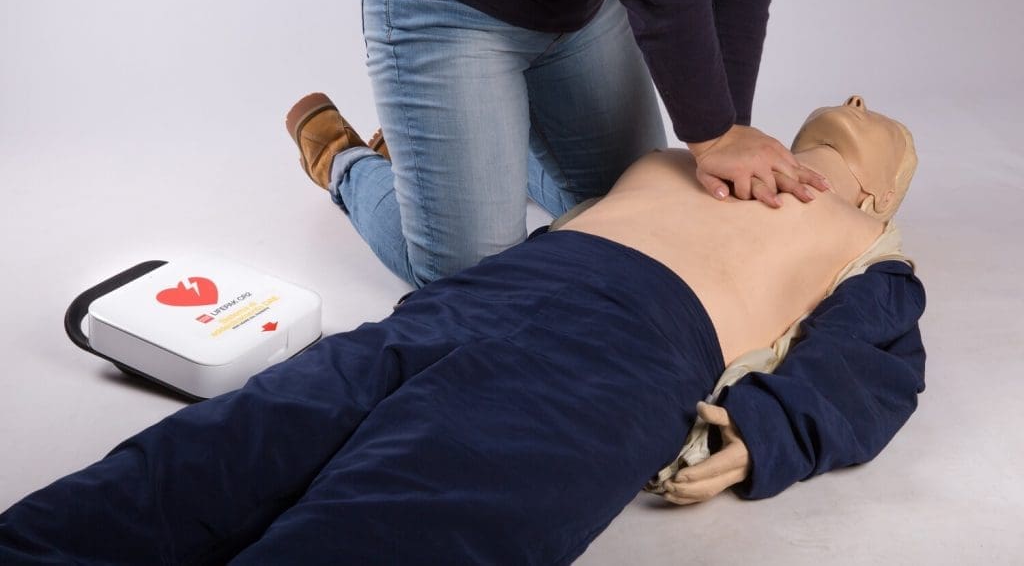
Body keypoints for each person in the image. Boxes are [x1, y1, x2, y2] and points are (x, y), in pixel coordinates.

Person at [0, 97, 925, 564]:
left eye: (868, 123)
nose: (848, 104)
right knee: (223, 447)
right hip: (485, 295)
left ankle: (347, 166)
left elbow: (871, 368)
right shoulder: (696, 152)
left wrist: (765, 434)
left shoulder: (865, 243)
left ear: (879, 191)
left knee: (405, 521)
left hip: (615, 357)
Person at [289, 0, 826, 288]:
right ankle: (348, 162)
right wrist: (714, 137)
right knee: (475, 284)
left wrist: (733, 134)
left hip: (581, 4)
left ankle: (460, 142)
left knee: (646, 229)